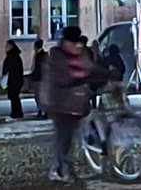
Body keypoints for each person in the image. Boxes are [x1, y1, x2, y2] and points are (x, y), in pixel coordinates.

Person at [40, 25, 109, 183]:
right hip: (60, 103)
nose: (76, 47)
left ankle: (76, 159)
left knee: (82, 129)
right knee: (64, 137)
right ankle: (60, 169)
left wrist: (107, 73)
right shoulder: (56, 56)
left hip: (78, 101)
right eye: (73, 44)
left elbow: (89, 68)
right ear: (64, 42)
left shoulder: (81, 53)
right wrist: (77, 79)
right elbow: (59, 78)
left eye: (77, 43)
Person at [2, 40, 25, 119]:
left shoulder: (13, 56)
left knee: (14, 97)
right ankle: (16, 112)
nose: (6, 47)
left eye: (7, 46)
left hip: (13, 81)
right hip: (13, 80)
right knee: (14, 97)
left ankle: (16, 112)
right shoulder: (13, 56)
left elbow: (12, 69)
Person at [30, 39, 49, 118]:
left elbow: (40, 68)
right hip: (39, 78)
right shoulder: (41, 55)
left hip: (40, 79)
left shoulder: (41, 55)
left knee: (39, 97)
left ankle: (43, 112)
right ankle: (42, 111)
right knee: (39, 97)